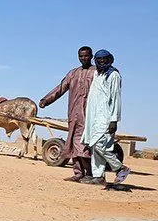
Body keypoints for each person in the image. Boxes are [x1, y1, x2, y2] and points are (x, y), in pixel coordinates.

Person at [39, 46, 95, 181]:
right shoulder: (73, 73)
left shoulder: (96, 72)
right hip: (73, 113)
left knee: (85, 144)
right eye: (81, 56)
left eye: (86, 56)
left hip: (89, 114)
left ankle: (90, 174)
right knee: (72, 142)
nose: (83, 58)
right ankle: (78, 173)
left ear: (91, 56)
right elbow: (60, 88)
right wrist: (46, 100)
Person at [80, 49, 131, 186]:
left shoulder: (113, 75)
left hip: (106, 118)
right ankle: (98, 176)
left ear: (110, 60)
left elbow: (115, 99)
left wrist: (114, 119)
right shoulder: (97, 73)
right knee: (94, 146)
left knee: (100, 145)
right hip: (94, 117)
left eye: (105, 59)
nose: (102, 61)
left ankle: (120, 168)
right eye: (99, 59)